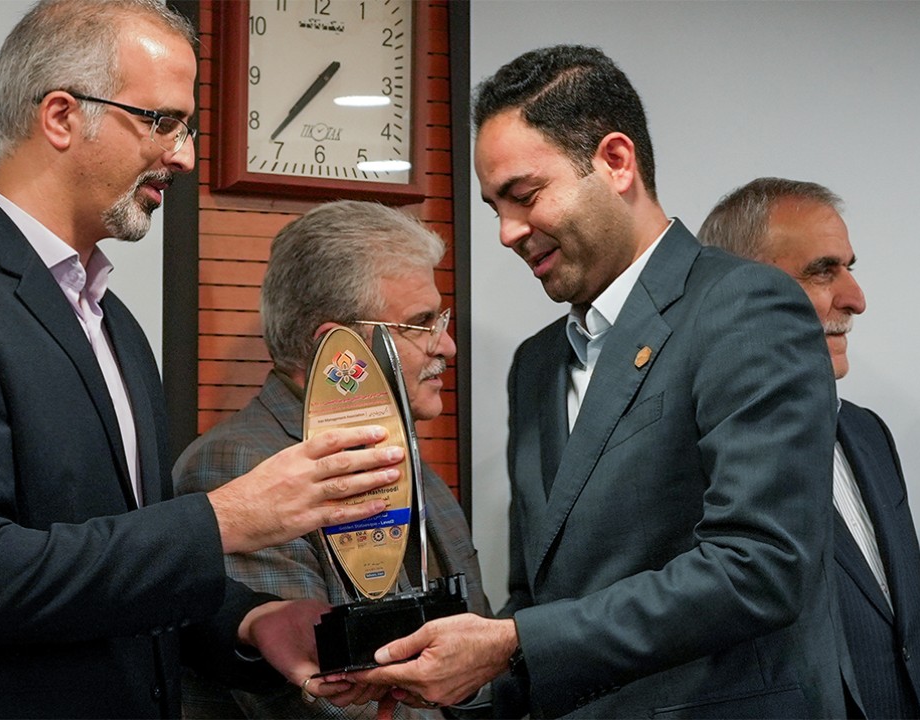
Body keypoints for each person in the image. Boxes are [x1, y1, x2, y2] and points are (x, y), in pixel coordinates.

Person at [0, 1, 406, 717]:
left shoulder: (113, 321)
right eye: (162, 122)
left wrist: (251, 622)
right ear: (61, 117)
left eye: (187, 128)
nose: (184, 155)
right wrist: (224, 519)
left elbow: (122, 564)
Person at [349, 44, 845, 718]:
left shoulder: (744, 306)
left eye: (524, 196)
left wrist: (511, 644)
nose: (507, 232)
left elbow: (760, 566)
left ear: (615, 162)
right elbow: (541, 601)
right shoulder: (535, 365)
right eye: (494, 208)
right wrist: (452, 677)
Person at [173, 200, 492, 720]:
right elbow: (324, 701)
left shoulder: (404, 460)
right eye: (421, 324)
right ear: (335, 349)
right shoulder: (237, 466)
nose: (447, 346)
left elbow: (478, 659)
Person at [699, 177, 920, 719]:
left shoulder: (869, 434)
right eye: (823, 271)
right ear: (736, 289)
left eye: (849, 267)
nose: (856, 299)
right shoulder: (686, 451)